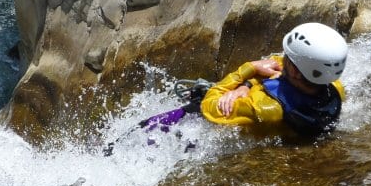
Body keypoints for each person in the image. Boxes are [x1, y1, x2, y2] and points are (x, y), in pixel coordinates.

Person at [139, 22, 348, 139]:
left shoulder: (262, 109)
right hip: (277, 122)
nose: (280, 58)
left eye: (287, 57)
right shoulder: (335, 88)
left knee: (138, 133)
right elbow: (277, 66)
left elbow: (209, 106)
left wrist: (247, 70)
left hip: (201, 126)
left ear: (294, 71)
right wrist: (247, 87)